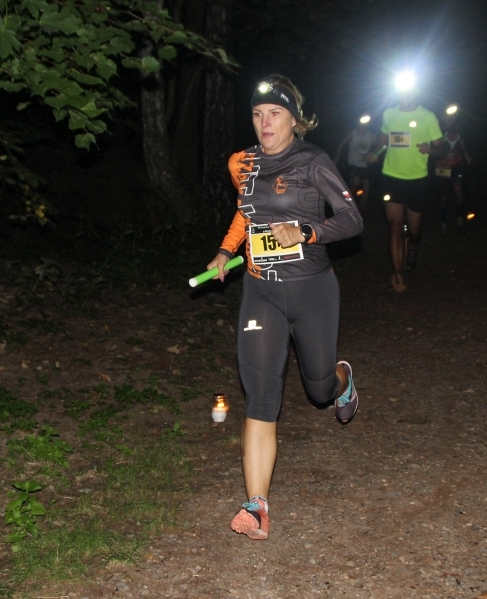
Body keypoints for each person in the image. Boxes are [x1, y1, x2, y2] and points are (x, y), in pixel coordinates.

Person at [206, 75, 364, 541]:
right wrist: (225, 250)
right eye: (257, 114)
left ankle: (342, 380)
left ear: (295, 119)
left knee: (318, 389)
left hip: (313, 289)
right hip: (261, 291)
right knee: (260, 396)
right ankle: (256, 507)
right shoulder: (242, 162)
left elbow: (352, 219)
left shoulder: (313, 161)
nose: (265, 123)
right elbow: (247, 211)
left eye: (275, 113)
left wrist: (308, 232)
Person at [367, 87, 443, 292]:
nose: (406, 96)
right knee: (395, 225)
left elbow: (440, 147)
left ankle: (414, 247)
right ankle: (398, 274)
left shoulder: (428, 116)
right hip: (391, 177)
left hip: (418, 180)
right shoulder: (389, 114)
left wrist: (431, 149)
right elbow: (383, 139)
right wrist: (375, 152)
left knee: (415, 229)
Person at [435, 109, 472, 234]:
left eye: (452, 117)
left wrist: (466, 154)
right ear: (443, 117)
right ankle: (443, 220)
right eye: (447, 117)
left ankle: (459, 216)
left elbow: (461, 142)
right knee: (443, 196)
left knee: (458, 190)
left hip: (457, 165)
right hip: (442, 167)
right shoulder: (438, 129)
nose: (450, 119)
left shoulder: (459, 128)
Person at [334, 115, 376, 212]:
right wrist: (337, 157)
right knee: (356, 182)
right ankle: (348, 201)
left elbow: (378, 147)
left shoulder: (372, 136)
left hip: (365, 164)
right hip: (353, 163)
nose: (363, 125)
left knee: (366, 187)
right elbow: (341, 144)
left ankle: (362, 205)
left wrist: (374, 155)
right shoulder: (352, 134)